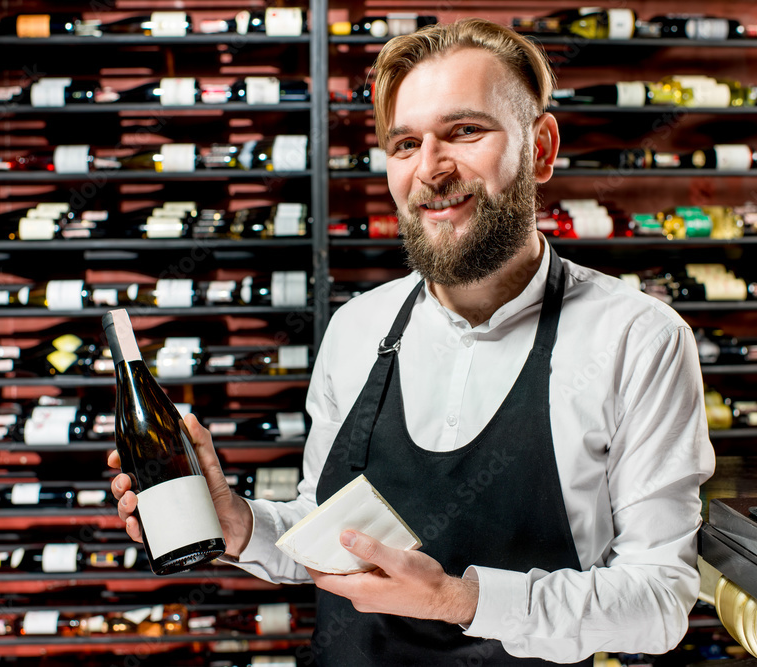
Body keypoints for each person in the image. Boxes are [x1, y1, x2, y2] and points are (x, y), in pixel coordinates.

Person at [109, 17, 716, 665]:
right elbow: (330, 530)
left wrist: (461, 599)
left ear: (540, 148)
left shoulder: (636, 339)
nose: (430, 169)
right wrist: (242, 524)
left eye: (464, 131)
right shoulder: (359, 328)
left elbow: (659, 600)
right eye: (404, 143)